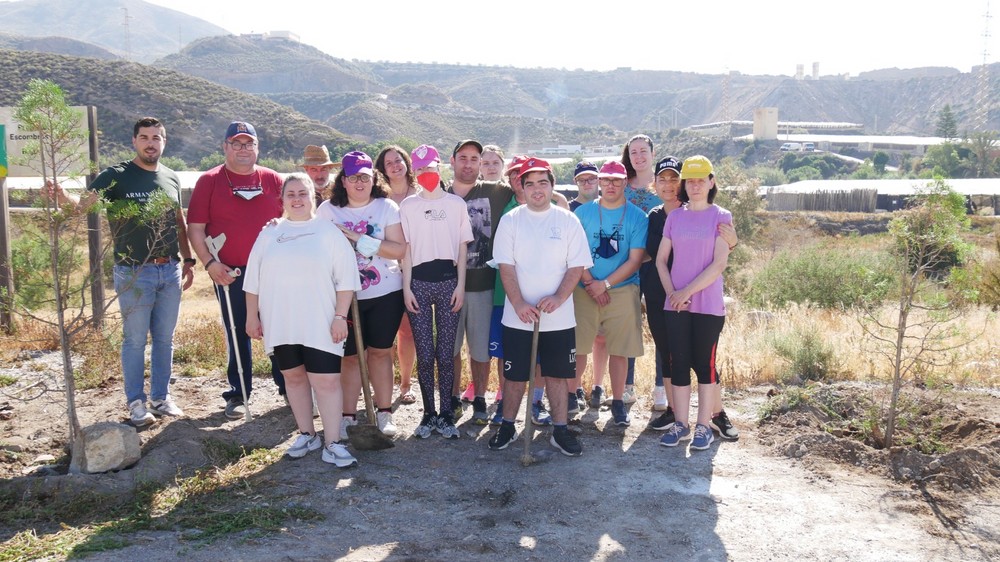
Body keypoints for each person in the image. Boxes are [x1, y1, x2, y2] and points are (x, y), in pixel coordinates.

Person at [47, 117, 195, 426]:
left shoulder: (171, 177)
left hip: (169, 270)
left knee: (165, 339)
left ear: (164, 142)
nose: (150, 143)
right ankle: (136, 403)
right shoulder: (115, 176)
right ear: (134, 141)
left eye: (156, 137)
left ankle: (161, 398)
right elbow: (82, 208)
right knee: (135, 341)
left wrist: (189, 260)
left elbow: (179, 222)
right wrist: (61, 197)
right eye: (144, 137)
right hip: (134, 273)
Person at [244, 173, 361, 467]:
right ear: (282, 199)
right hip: (280, 321)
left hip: (320, 321)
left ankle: (332, 443)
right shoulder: (269, 233)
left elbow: (346, 280)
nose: (297, 199)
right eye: (291, 194)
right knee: (293, 378)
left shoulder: (328, 232)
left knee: (327, 381)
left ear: (313, 197)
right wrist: (251, 316)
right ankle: (307, 435)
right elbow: (252, 280)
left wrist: (340, 317)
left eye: (302, 193)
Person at [487, 158, 593, 456]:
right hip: (518, 317)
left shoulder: (568, 220)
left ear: (552, 186)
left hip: (559, 318)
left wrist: (559, 297)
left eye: (542, 183)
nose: (536, 189)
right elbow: (506, 266)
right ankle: (508, 426)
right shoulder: (511, 220)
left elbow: (576, 266)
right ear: (521, 187)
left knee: (558, 375)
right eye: (530, 183)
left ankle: (560, 431)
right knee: (514, 376)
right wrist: (519, 303)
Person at [187, 121, 286, 419]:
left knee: (279, 329)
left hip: (272, 271)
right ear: (225, 146)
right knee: (237, 331)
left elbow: (291, 220)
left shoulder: (273, 179)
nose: (243, 149)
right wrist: (210, 264)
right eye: (237, 143)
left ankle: (289, 388)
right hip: (230, 272)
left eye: (249, 143)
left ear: (257, 147)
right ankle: (238, 394)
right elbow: (195, 228)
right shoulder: (209, 181)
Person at [317, 151, 407, 439]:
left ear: (374, 179)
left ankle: (384, 412)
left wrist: (359, 239)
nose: (359, 183)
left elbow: (398, 249)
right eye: (353, 177)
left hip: (385, 293)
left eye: (365, 177)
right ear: (343, 180)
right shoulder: (328, 211)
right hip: (344, 297)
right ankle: (348, 415)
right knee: (351, 357)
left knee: (380, 352)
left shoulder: (386, 207)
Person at [645, 156, 738, 432]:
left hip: (702, 301)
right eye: (690, 181)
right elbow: (658, 259)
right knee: (674, 359)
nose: (694, 186)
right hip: (669, 299)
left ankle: (712, 418)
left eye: (700, 180)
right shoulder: (663, 217)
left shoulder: (720, 216)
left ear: (711, 182)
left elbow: (719, 262)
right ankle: (678, 418)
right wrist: (673, 294)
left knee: (704, 363)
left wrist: (683, 292)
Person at [400, 145, 474, 439]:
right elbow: (405, 250)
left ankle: (446, 415)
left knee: (445, 353)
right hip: (418, 283)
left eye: (430, 167)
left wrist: (460, 286)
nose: (425, 173)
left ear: (439, 167)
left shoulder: (456, 204)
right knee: (424, 353)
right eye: (420, 169)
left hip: (448, 283)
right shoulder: (408, 206)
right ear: (414, 172)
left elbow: (463, 247)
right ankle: (428, 413)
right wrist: (406, 288)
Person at [573, 160, 647, 427]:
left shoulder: (638, 217)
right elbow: (574, 252)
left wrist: (604, 285)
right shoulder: (582, 213)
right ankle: (570, 397)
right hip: (584, 286)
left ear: (625, 182)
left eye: (616, 180)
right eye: (606, 180)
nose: (611, 185)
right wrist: (591, 283)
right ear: (600, 182)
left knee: (620, 349)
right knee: (578, 346)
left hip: (622, 287)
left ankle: (617, 402)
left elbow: (635, 260)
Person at [446, 140, 514, 423]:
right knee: (450, 349)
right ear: (452, 161)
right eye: (463, 158)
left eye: (474, 159)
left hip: (484, 285)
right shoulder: (440, 195)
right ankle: (451, 398)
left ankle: (480, 399)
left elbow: (533, 191)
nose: (469, 164)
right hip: (447, 285)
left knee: (481, 350)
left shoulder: (497, 191)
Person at [375, 145, 419, 405]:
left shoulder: (421, 193)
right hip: (385, 270)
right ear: (382, 169)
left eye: (398, 160)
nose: (394, 165)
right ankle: (382, 387)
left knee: (407, 332)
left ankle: (405, 383)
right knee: (382, 337)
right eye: (388, 162)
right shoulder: (378, 197)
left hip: (416, 271)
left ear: (406, 162)